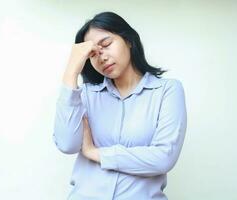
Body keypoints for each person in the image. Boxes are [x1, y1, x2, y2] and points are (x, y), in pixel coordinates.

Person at [53, 11, 187, 200]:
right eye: (92, 54)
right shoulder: (86, 95)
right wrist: (70, 72)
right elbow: (67, 144)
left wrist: (95, 153)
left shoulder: (167, 90)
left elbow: (164, 158)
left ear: (129, 40)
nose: (101, 57)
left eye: (106, 44)